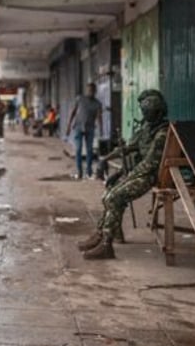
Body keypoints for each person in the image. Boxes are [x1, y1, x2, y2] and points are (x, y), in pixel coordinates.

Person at [77, 89, 169, 260]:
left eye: (147, 113)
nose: (145, 115)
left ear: (156, 112)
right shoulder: (147, 128)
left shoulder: (162, 134)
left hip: (151, 176)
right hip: (140, 173)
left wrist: (125, 176)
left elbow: (149, 165)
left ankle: (106, 244)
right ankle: (101, 234)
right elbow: (128, 148)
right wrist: (105, 158)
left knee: (114, 196)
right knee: (109, 193)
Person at [66, 83, 103, 179]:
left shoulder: (97, 103)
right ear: (87, 90)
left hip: (90, 128)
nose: (90, 92)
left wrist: (101, 129)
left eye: (92, 90)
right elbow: (73, 112)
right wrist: (68, 126)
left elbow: (99, 117)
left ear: (95, 91)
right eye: (89, 90)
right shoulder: (80, 99)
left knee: (89, 150)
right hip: (78, 127)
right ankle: (79, 171)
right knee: (78, 149)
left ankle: (89, 171)